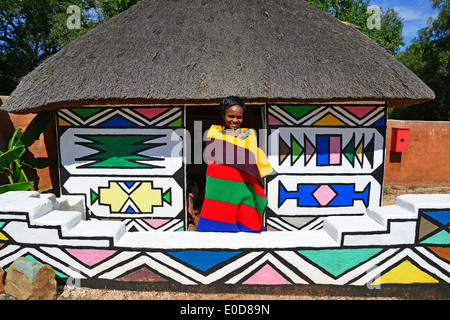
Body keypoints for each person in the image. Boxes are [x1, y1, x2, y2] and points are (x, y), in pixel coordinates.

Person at [196, 96, 273, 232]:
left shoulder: (249, 134)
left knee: (246, 216)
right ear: (223, 115)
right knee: (219, 215)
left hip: (243, 183)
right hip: (221, 184)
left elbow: (251, 157)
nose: (235, 121)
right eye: (231, 116)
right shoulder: (214, 133)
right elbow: (213, 156)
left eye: (239, 117)